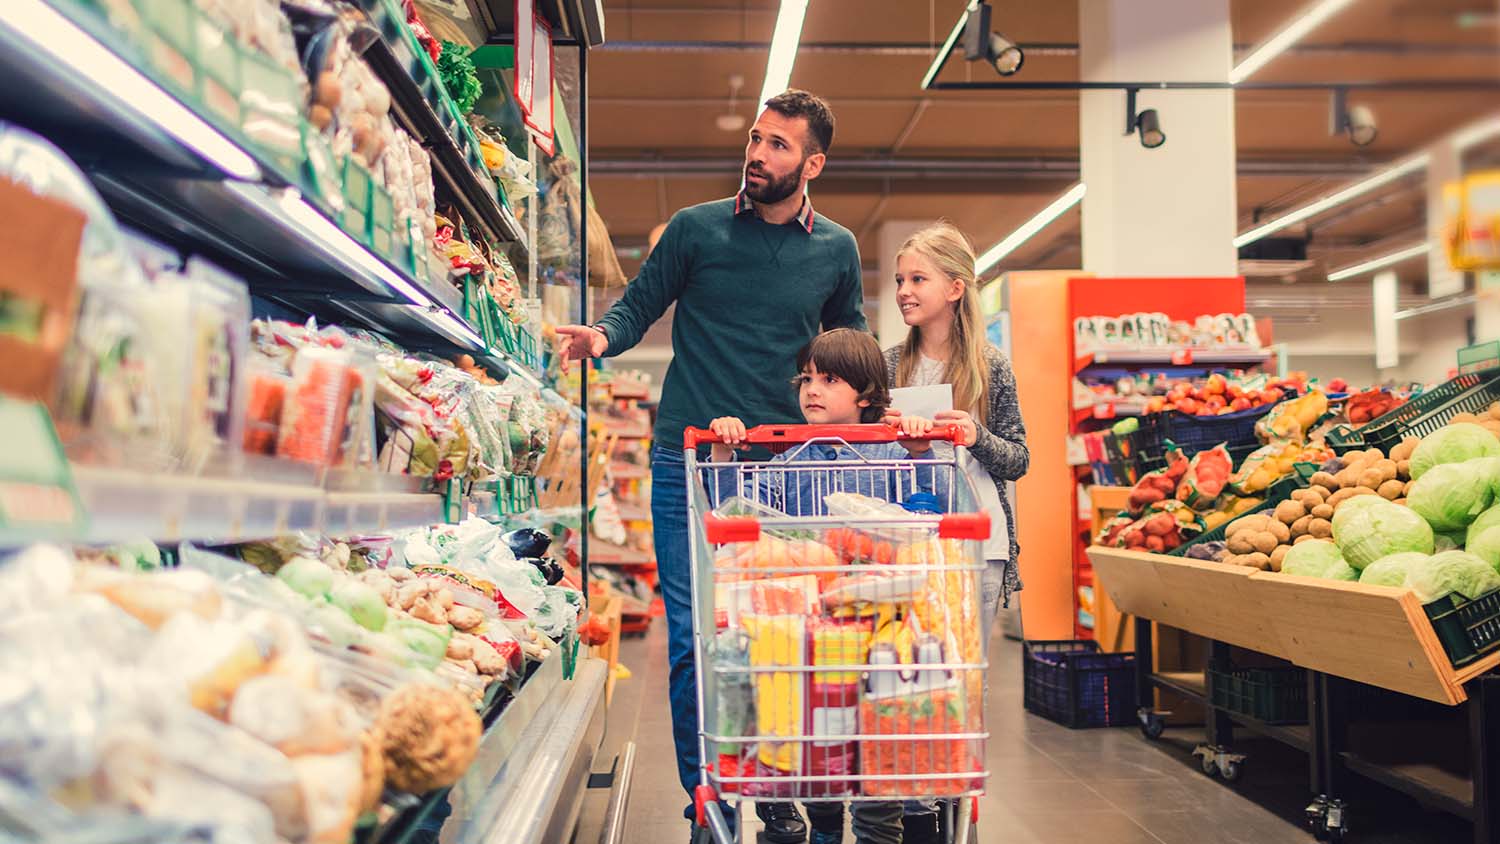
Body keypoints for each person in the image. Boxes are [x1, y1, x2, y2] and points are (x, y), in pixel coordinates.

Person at [555, 89, 866, 843]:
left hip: (786, 468)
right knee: (697, 640)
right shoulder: (696, 230)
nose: (758, 154)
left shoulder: (837, 249)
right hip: (687, 462)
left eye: (779, 146)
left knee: (788, 633)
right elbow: (638, 305)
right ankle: (710, 802)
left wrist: (864, 406)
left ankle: (789, 787)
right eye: (756, 140)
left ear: (812, 163)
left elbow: (849, 344)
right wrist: (601, 337)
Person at [708, 328, 924, 844]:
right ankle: (824, 822)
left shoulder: (895, 460)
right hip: (808, 634)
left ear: (867, 395)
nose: (812, 390)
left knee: (875, 739)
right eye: (807, 378)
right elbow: (728, 517)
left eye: (829, 380)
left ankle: (877, 829)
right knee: (815, 736)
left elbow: (931, 516)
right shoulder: (789, 462)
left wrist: (919, 447)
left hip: (880, 630)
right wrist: (722, 453)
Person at [882, 221, 1030, 843]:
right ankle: (915, 803)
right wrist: (891, 439)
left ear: (955, 287)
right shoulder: (889, 363)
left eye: (918, 279)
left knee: (962, 681)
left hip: (977, 542)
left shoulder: (991, 368)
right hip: (906, 541)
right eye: (899, 280)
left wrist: (973, 435)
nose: (904, 291)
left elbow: (1019, 457)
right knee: (906, 671)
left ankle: (953, 809)